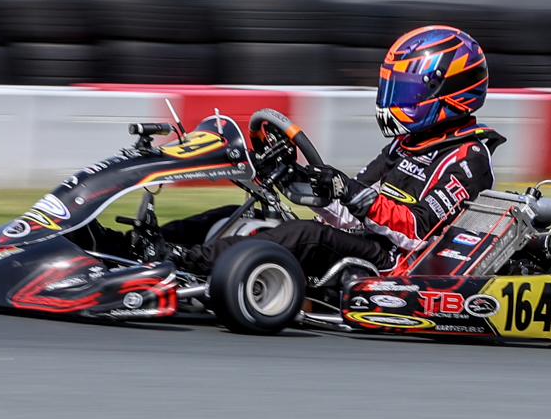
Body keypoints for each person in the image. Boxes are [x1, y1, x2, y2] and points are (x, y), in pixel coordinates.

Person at [73, 25, 504, 281]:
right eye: (395, 89)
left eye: (408, 91)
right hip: (367, 243)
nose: (396, 101)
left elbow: (419, 230)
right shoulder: (405, 144)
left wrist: (347, 191)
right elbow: (351, 211)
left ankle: (176, 264)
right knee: (232, 213)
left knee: (306, 236)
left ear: (451, 93)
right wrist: (305, 184)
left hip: (400, 266)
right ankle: (130, 247)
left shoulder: (466, 156)